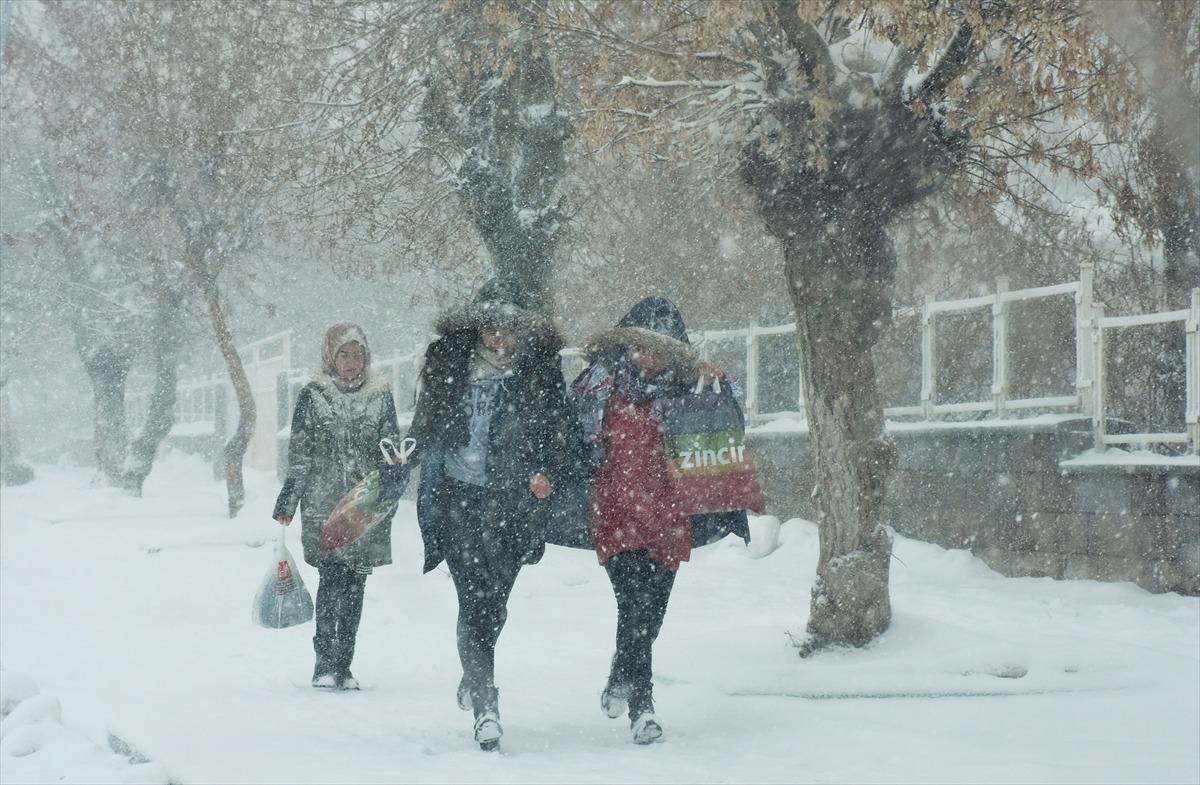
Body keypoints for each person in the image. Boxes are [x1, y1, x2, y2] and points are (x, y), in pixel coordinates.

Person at [405, 276, 575, 750]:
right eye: (490, 329)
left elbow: (558, 429)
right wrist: (404, 457)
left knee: (493, 604)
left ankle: (473, 671)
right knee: (473, 599)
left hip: (512, 502)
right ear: (477, 328)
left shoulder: (539, 370)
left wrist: (547, 470)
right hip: (458, 497)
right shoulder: (448, 364)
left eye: (507, 330)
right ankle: (486, 702)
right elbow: (425, 423)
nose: (498, 339)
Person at [572, 296, 749, 745]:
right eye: (637, 348)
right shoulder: (601, 384)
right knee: (633, 602)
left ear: (672, 353)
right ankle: (643, 708)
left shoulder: (691, 390)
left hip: (669, 515)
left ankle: (620, 670)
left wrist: (720, 388)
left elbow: (729, 429)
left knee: (651, 612)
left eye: (655, 350)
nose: (644, 358)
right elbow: (564, 431)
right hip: (615, 511)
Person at [273, 323, 401, 690]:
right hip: (322, 504)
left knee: (356, 584)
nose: (350, 362)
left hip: (363, 506)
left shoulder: (380, 395)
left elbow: (390, 447)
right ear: (330, 357)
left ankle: (344, 664)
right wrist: (289, 500)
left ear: (366, 358)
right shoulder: (313, 396)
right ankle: (324, 663)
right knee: (331, 582)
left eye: (357, 355)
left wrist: (391, 484)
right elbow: (300, 454)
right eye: (344, 355)